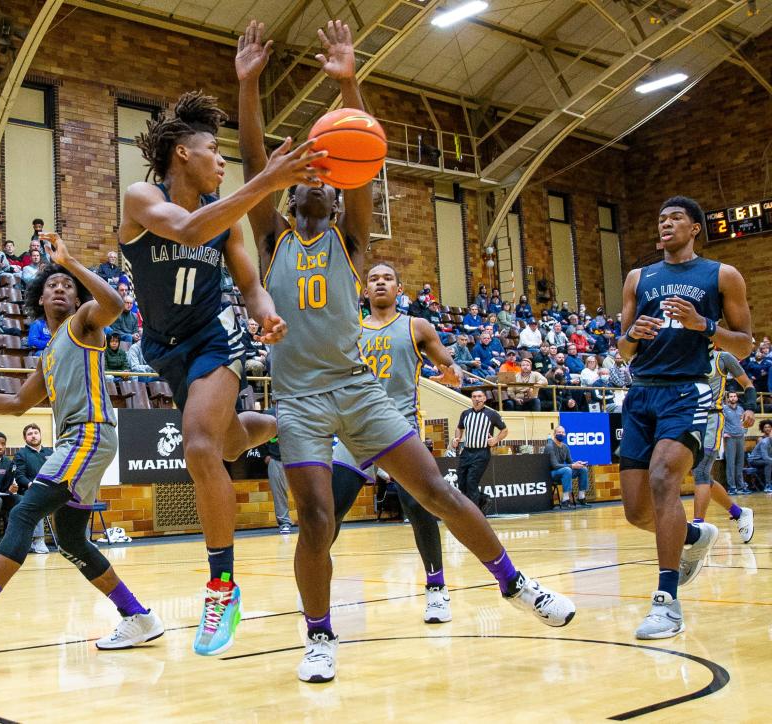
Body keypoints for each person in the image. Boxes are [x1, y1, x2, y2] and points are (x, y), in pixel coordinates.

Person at [238, 19, 572, 683]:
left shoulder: (352, 244)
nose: (316, 184)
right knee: (316, 520)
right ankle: (319, 636)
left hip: (358, 390)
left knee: (437, 493)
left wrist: (349, 81)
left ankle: (515, 583)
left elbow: (362, 156)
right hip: (300, 399)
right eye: (305, 178)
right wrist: (247, 86)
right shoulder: (272, 233)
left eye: (327, 182)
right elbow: (253, 166)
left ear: (334, 198)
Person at [119, 74, 319, 655]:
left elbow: (250, 286)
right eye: (215, 151)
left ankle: (222, 587)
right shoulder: (141, 199)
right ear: (184, 152)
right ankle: (282, 424)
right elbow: (185, 229)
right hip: (164, 347)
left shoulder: (228, 215)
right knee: (229, 442)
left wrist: (266, 314)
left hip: (217, 334)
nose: (222, 162)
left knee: (200, 446)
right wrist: (265, 182)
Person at [0, 233, 161, 653]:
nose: (61, 287)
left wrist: (71, 262)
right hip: (80, 440)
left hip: (89, 433)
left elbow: (116, 306)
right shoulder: (48, 354)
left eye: (67, 283)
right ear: (39, 300)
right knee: (71, 540)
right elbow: (13, 404)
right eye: (53, 285)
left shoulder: (85, 322)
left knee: (25, 511)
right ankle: (138, 617)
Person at [618, 195, 751, 640]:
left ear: (695, 228)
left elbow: (745, 345)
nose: (665, 224)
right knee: (637, 513)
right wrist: (631, 335)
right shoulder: (639, 277)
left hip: (687, 391)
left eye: (675, 218)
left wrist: (704, 326)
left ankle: (666, 602)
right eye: (661, 218)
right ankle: (693, 536)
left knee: (663, 480)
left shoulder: (721, 275)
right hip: (640, 395)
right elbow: (623, 348)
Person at [328, 262, 461, 625]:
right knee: (330, 508)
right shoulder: (349, 328)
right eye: (374, 279)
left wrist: (451, 371)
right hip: (354, 428)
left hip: (399, 427)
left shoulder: (417, 326)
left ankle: (436, 589)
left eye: (388, 278)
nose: (381, 282)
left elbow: (448, 366)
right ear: (365, 291)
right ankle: (316, 582)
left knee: (418, 508)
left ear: (398, 288)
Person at [690, 348, 755, 542]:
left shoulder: (723, 358)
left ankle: (698, 526)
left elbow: (748, 385)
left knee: (701, 472)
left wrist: (750, 408)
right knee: (700, 475)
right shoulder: (686, 355)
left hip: (712, 418)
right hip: (689, 418)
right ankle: (739, 513)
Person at [450, 389, 508, 512]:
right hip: (466, 452)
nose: (477, 399)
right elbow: (459, 428)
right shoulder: (465, 413)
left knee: (471, 481)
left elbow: (504, 430)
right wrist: (457, 438)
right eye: (474, 396)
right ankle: (483, 499)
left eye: (480, 396)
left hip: (481, 453)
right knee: (461, 482)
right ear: (471, 398)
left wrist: (496, 439)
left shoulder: (492, 414)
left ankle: (474, 513)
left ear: (484, 399)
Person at [12, 423, 52, 552]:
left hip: (51, 490)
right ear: (25, 439)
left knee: (74, 500)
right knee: (37, 500)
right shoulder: (21, 454)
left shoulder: (50, 453)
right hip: (30, 491)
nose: (33, 436)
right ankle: (38, 540)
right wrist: (31, 484)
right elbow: (19, 476)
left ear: (40, 435)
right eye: (30, 434)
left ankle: (81, 539)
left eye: (36, 433)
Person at [545, 426, 590, 508]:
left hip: (564, 472)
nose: (561, 434)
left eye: (563, 432)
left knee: (583, 469)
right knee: (567, 470)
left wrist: (577, 463)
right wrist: (572, 465)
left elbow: (570, 462)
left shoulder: (565, 447)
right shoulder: (549, 446)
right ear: (554, 434)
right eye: (559, 432)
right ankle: (565, 500)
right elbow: (554, 465)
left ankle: (581, 497)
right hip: (552, 473)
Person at [722, 391, 748, 494]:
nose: (733, 398)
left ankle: (741, 487)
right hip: (730, 438)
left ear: (737, 398)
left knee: (740, 463)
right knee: (730, 463)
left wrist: (744, 431)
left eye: (734, 396)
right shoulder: (724, 409)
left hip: (740, 437)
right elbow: (720, 421)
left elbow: (744, 422)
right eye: (731, 396)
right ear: (728, 399)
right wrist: (724, 433)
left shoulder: (741, 409)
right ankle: (732, 487)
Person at [748, 419, 772, 493]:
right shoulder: (764, 441)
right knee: (769, 462)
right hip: (754, 460)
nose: (768, 429)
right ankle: (768, 486)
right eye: (765, 427)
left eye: (769, 427)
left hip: (762, 460)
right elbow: (765, 457)